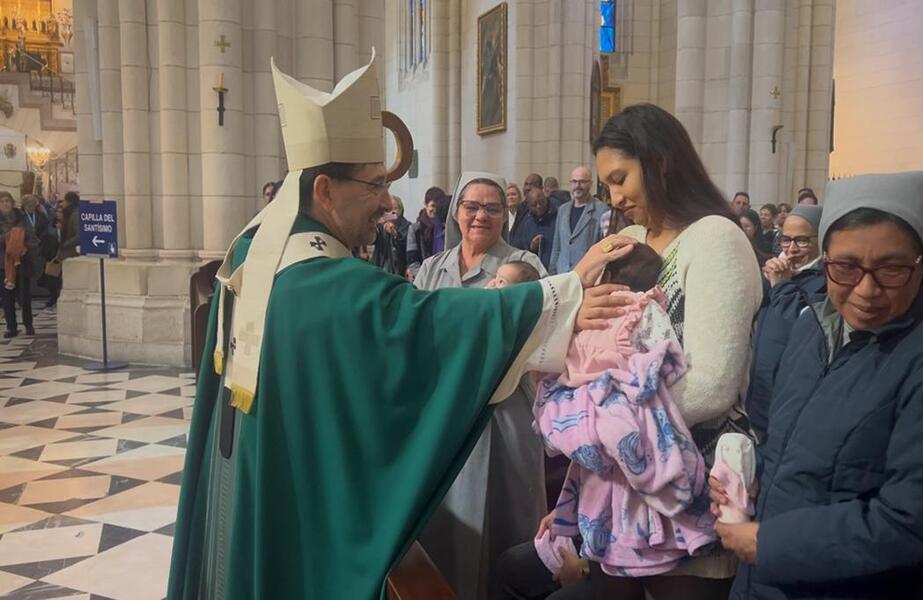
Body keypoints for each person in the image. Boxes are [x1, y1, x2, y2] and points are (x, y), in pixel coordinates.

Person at [168, 54, 634, 600]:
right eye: (374, 185)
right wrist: (563, 294)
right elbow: (418, 326)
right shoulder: (320, 285)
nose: (388, 202)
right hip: (294, 512)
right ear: (324, 190)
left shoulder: (256, 254)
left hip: (260, 488)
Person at [711, 171, 923, 600]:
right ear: (824, 259)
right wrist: (750, 477)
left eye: (892, 268)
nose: (866, 290)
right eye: (846, 267)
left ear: (922, 264)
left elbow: (917, 524)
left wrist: (769, 543)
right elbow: (797, 444)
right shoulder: (814, 327)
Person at [576, 102, 763, 599]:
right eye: (606, 186)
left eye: (620, 179)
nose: (614, 198)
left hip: (689, 480)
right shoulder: (628, 239)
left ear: (659, 162)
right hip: (619, 484)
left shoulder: (715, 239)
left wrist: (605, 419)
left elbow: (712, 386)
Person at [534, 242, 715, 577]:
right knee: (642, 476)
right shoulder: (644, 308)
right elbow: (666, 351)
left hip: (580, 400)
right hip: (620, 399)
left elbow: (557, 356)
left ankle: (594, 540)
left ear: (604, 274)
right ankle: (644, 539)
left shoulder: (583, 309)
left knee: (598, 482)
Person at [414, 173, 552, 600]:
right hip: (443, 416)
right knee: (444, 528)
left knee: (505, 526)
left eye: (493, 208)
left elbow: (542, 334)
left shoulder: (525, 267)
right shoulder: (432, 269)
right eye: (471, 206)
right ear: (456, 211)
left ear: (506, 215)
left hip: (503, 416)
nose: (481, 216)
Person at [747, 205, 824, 443]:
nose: (791, 249)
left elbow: (799, 325)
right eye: (786, 240)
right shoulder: (777, 272)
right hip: (760, 393)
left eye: (801, 241)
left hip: (790, 401)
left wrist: (781, 285)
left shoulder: (826, 280)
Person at [550, 166, 606, 274]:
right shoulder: (562, 210)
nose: (577, 186)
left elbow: (603, 248)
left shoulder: (601, 211)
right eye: (574, 182)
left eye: (582, 182)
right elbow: (557, 247)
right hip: (562, 275)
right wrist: (552, 272)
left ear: (590, 184)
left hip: (587, 274)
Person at [0, 192, 34, 336]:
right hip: (4, 263)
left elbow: (32, 237)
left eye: (7, 201)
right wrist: (9, 238)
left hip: (21, 262)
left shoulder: (22, 217)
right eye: (2, 201)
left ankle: (28, 324)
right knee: (7, 297)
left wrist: (25, 246)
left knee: (24, 296)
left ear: (13, 203)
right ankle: (11, 327)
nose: (5, 204)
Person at [405, 186, 446, 279]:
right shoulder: (415, 229)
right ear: (425, 204)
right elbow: (412, 260)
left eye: (438, 206)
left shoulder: (446, 227)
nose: (435, 210)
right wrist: (424, 278)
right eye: (433, 206)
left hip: (443, 277)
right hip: (422, 278)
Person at [509, 187, 558, 263]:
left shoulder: (558, 217)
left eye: (541, 202)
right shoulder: (527, 224)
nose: (538, 206)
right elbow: (523, 250)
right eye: (534, 205)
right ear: (529, 206)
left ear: (546, 199)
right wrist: (532, 247)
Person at [370, 195, 410, 276]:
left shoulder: (407, 225)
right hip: (380, 264)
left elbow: (406, 244)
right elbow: (371, 240)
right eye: (389, 209)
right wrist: (374, 224)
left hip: (398, 266)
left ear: (400, 209)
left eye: (394, 208)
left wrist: (395, 234)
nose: (391, 212)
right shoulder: (380, 225)